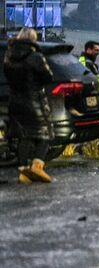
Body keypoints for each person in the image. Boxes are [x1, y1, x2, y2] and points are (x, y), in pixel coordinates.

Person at [3, 28, 54, 184]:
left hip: (16, 101)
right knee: (46, 133)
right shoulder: (35, 57)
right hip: (34, 101)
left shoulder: (9, 56)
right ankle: (37, 166)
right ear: (33, 39)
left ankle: (23, 170)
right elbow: (48, 77)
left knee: (25, 135)